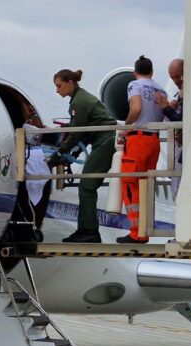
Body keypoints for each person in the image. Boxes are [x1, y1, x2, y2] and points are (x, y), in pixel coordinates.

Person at [47, 69, 116, 243]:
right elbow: (83, 132)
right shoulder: (80, 99)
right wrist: (73, 152)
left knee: (86, 186)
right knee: (87, 185)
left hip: (105, 141)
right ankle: (86, 230)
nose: (57, 91)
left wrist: (58, 155)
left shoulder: (79, 103)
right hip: (101, 140)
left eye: (59, 86)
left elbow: (76, 134)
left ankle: (89, 231)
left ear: (70, 83)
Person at [117, 55, 166, 244]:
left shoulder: (134, 85)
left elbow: (136, 108)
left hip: (137, 138)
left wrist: (126, 126)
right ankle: (144, 230)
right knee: (145, 185)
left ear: (134, 72)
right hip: (154, 140)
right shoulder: (160, 89)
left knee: (130, 183)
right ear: (152, 72)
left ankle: (136, 231)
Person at [156, 58, 184, 200]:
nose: (176, 81)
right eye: (173, 78)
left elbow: (183, 122)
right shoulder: (181, 94)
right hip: (180, 150)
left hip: (186, 152)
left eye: (178, 76)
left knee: (181, 191)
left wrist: (165, 108)